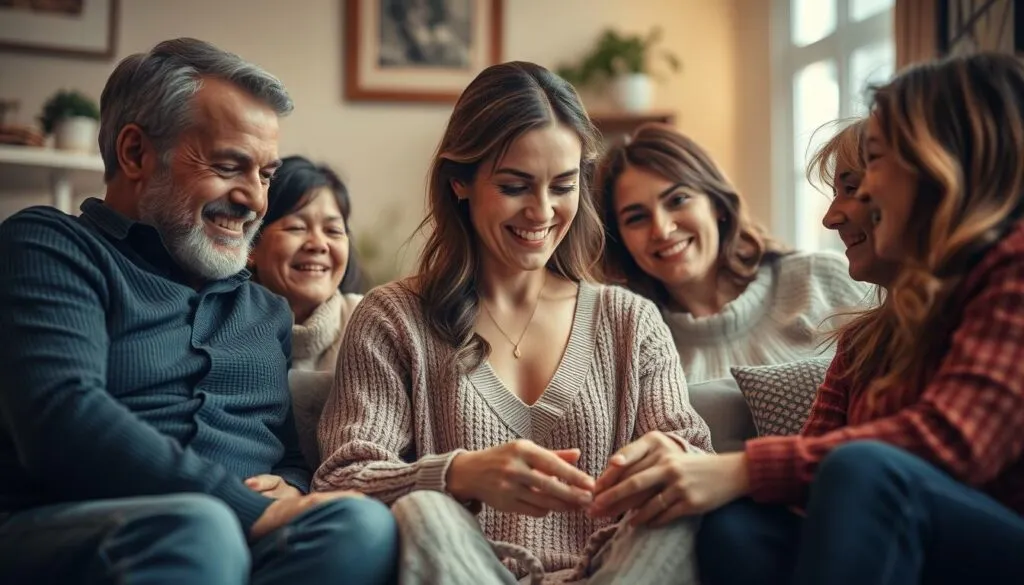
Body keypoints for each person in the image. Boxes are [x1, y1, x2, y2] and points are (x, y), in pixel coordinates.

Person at [0, 38, 397, 585]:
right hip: (73, 528)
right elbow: (60, 419)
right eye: (231, 165)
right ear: (135, 154)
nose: (255, 199)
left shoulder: (264, 310)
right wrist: (241, 506)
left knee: (360, 525)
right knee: (200, 529)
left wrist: (292, 487)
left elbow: (283, 451)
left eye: (265, 174)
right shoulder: (49, 246)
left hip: (238, 538)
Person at [313, 61, 713, 585]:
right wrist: (457, 475)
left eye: (563, 186)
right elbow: (342, 482)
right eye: (515, 186)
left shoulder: (630, 320)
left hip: (609, 572)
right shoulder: (393, 319)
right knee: (424, 509)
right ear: (460, 182)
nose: (542, 212)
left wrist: (672, 457)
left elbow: (698, 468)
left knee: (677, 514)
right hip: (464, 568)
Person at [683, 52, 1024, 585]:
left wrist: (741, 467)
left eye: (877, 163)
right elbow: (810, 486)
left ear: (942, 165)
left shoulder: (1014, 265)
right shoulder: (866, 339)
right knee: (734, 527)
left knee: (861, 467)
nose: (860, 195)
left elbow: (954, 441)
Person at [595, 124, 871, 383]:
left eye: (678, 200)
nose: (663, 229)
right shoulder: (628, 347)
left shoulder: (823, 279)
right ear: (618, 238)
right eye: (636, 218)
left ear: (717, 204)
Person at [250, 156, 364, 372]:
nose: (319, 245)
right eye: (296, 227)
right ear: (251, 245)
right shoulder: (221, 328)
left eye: (333, 231)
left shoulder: (368, 325)